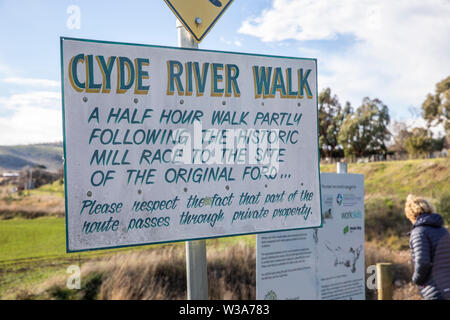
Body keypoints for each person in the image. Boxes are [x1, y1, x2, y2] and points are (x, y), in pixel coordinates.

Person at [405, 194, 450, 300]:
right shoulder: (442, 230)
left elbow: (423, 262)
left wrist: (416, 280)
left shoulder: (418, 232)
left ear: (411, 214)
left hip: (435, 289)